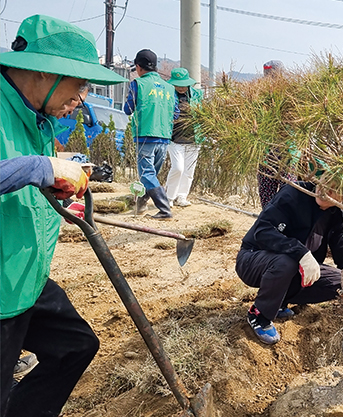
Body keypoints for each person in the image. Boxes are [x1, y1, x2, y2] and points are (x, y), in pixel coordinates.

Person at [0, 14, 126, 417]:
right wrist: (40, 168)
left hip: (26, 276)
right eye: (80, 85)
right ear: (44, 71)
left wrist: (52, 178)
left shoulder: (36, 117)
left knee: (76, 346)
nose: (82, 98)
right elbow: (24, 166)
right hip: (2, 291)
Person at [235, 182, 343, 344]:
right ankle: (260, 314)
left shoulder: (336, 215)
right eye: (324, 181)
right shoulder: (294, 193)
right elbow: (263, 231)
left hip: (292, 270)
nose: (325, 189)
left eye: (335, 189)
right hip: (253, 259)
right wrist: (301, 253)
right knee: (288, 261)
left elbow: (342, 251)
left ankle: (280, 303)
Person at [124, 49, 178, 219]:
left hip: (146, 134)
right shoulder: (170, 88)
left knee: (147, 174)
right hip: (164, 136)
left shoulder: (138, 84)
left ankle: (164, 208)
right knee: (151, 174)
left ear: (138, 67)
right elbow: (175, 113)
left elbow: (128, 109)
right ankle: (141, 205)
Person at [257, 60, 295, 209]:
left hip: (288, 150)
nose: (270, 77)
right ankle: (267, 222)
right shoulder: (258, 92)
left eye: (273, 73)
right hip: (266, 151)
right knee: (266, 192)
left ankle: (286, 223)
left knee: (289, 190)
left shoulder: (291, 91)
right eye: (267, 74)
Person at [165, 67, 204, 207]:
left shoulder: (197, 95)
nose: (181, 88)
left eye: (183, 84)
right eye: (177, 84)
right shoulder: (169, 95)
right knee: (177, 168)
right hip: (174, 138)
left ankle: (182, 196)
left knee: (189, 170)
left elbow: (203, 114)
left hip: (194, 138)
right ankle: (169, 197)